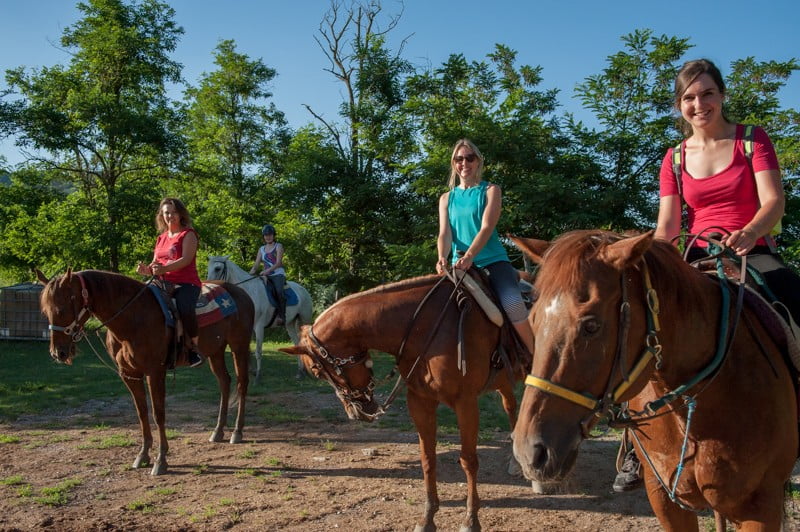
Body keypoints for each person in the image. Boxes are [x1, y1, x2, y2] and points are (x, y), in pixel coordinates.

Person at [613, 58, 800, 493]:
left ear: (722, 95)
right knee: (638, 330)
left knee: (794, 317)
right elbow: (668, 226)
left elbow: (774, 202)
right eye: (689, 97)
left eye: (708, 93)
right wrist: (647, 259)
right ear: (679, 106)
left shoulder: (752, 141)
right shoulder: (674, 158)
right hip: (694, 258)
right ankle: (633, 447)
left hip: (753, 253)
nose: (700, 104)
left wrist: (750, 232)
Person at [436, 138, 534, 356]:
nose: (464, 163)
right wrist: (442, 256)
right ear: (454, 163)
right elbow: (445, 233)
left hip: (492, 261)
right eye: (459, 159)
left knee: (512, 304)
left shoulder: (490, 191)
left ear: (478, 161)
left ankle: (536, 358)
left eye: (469, 158)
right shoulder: (446, 198)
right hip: (458, 266)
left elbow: (487, 227)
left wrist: (470, 255)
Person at [137, 198, 204, 368]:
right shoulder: (161, 238)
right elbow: (155, 263)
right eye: (166, 212)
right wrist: (147, 270)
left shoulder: (188, 234)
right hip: (161, 283)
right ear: (162, 215)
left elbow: (186, 260)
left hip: (186, 283)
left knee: (185, 308)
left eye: (174, 212)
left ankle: (193, 348)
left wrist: (163, 270)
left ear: (181, 214)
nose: (170, 216)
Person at [249, 224, 287, 324]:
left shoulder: (278, 246)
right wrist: (250, 273)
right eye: (266, 235)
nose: (268, 237)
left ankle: (282, 316)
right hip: (265, 276)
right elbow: (256, 264)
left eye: (270, 235)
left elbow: (278, 263)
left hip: (278, 275)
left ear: (274, 235)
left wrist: (267, 271)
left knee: (279, 291)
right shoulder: (261, 249)